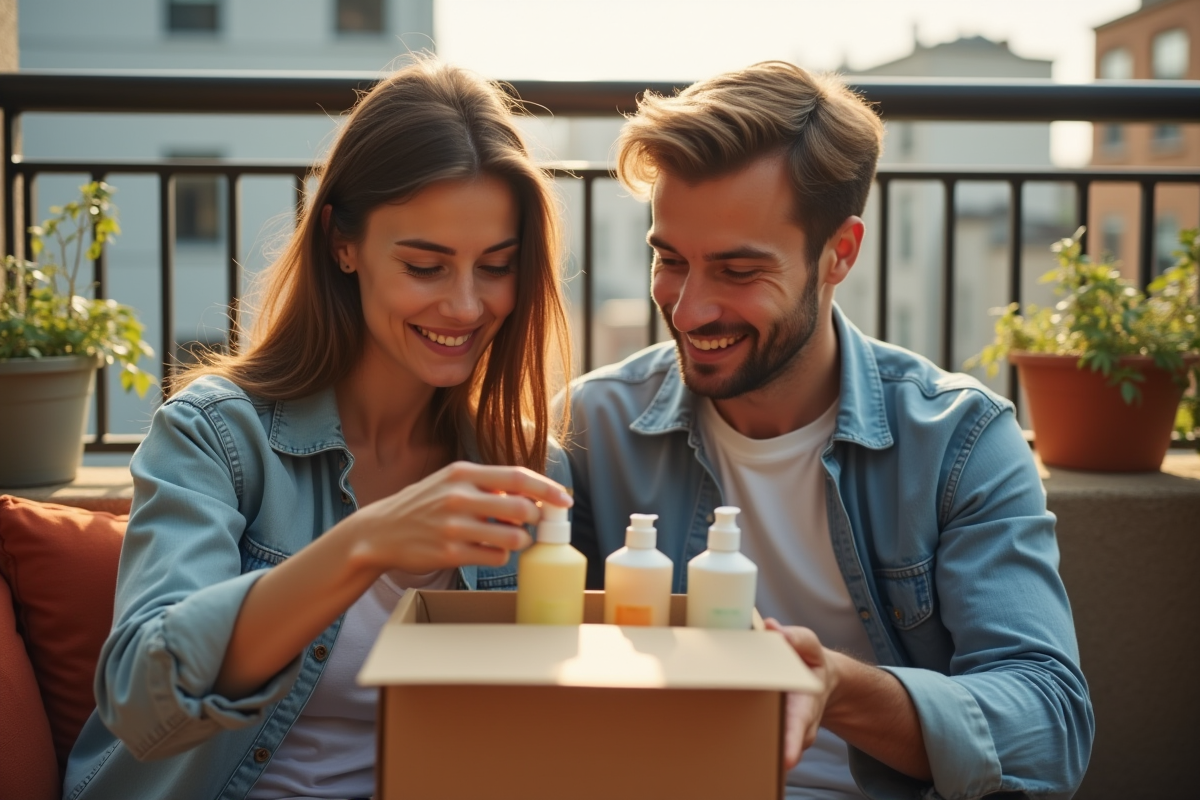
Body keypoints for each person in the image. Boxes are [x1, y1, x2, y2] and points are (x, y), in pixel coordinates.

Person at [562, 61, 1094, 799]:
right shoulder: (594, 426)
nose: (686, 310)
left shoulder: (959, 440)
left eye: (738, 271)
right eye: (669, 259)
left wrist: (838, 689)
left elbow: (1051, 723)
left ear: (839, 253)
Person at [65, 58, 574, 800]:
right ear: (343, 242)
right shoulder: (216, 436)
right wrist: (364, 544)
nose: (466, 306)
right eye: (426, 266)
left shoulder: (528, 469)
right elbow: (144, 696)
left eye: (496, 266)